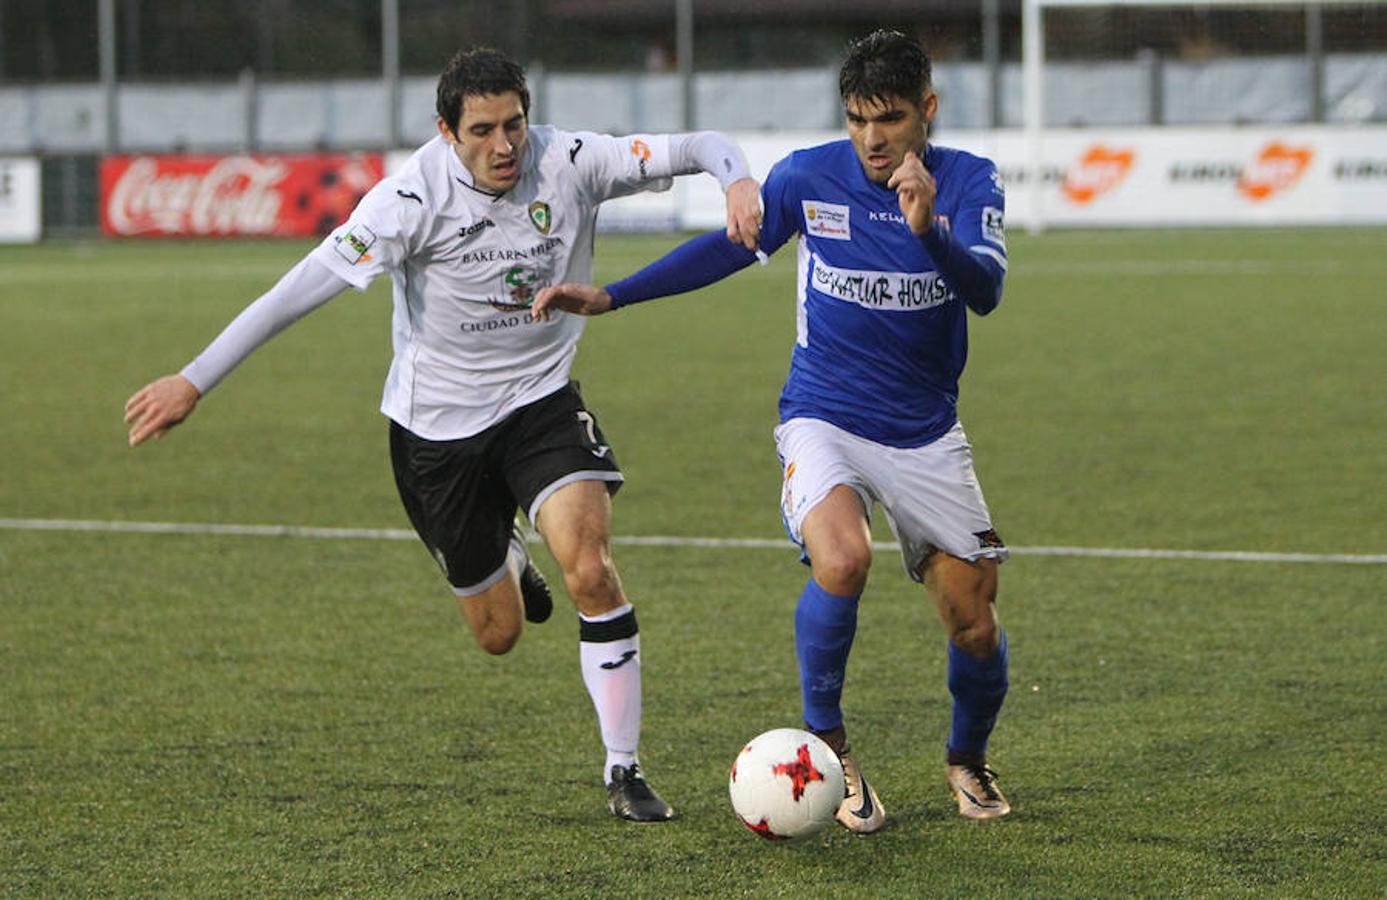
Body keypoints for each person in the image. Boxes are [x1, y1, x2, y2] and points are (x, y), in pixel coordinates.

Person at [123, 47, 762, 823]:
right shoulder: (405, 200)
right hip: (437, 433)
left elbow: (700, 146)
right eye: (484, 130)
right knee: (497, 636)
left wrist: (736, 179)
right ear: (446, 132)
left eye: (514, 124)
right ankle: (503, 547)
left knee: (590, 570)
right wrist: (195, 378)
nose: (504, 146)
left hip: (540, 404)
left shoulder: (569, 160)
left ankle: (623, 770)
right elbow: (296, 292)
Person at [532, 29, 1012, 830]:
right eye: (857, 119)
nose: (871, 138)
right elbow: (728, 251)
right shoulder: (807, 176)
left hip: (924, 432)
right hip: (822, 415)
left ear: (925, 110)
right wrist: (614, 295)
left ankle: (966, 759)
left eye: (888, 118)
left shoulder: (967, 181)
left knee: (972, 618)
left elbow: (987, 291)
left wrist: (928, 229)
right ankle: (830, 752)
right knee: (842, 557)